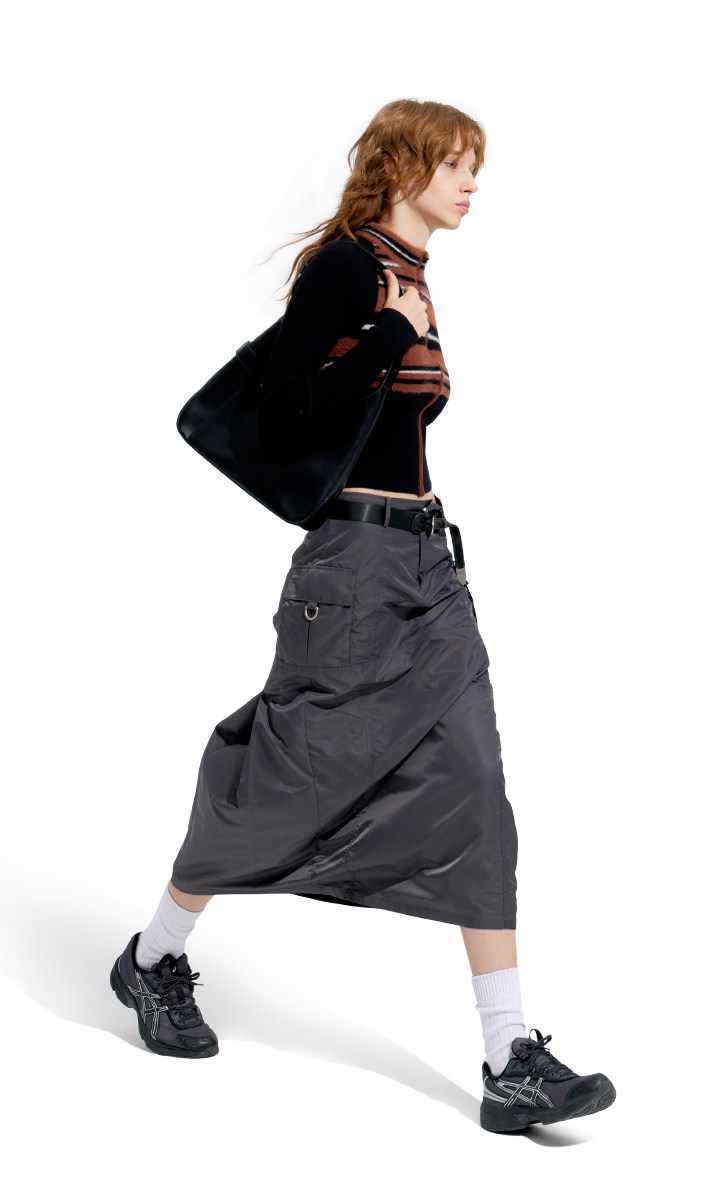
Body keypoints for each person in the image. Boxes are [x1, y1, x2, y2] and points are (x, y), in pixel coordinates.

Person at [110, 98, 616, 1134]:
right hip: (350, 571)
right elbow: (283, 412)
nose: (473, 183)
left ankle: (508, 1057)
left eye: (475, 165)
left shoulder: (412, 276)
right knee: (285, 778)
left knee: (474, 783)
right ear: (403, 167)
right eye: (457, 164)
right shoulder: (347, 270)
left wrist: (402, 325)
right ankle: (154, 955)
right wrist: (390, 331)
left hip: (429, 567)